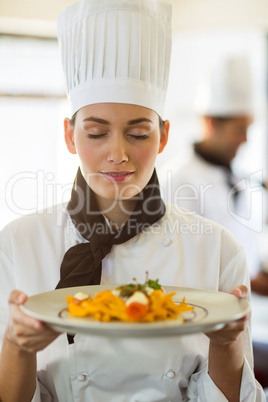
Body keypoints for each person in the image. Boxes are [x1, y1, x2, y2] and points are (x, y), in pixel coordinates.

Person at [0, 0, 265, 401]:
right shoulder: (19, 243)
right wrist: (18, 348)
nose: (118, 153)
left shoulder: (217, 249)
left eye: (139, 134)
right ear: (70, 136)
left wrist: (225, 344)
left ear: (164, 135)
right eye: (96, 133)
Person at [159, 56, 268, 296]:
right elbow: (187, 267)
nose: (245, 140)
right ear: (210, 124)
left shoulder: (235, 177)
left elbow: (245, 256)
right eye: (239, 130)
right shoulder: (179, 180)